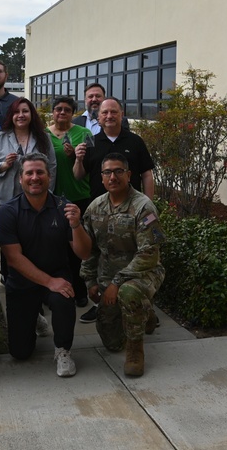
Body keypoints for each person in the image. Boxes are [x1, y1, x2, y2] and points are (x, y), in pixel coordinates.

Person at [0, 153, 92, 377]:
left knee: (64, 295)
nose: (35, 177)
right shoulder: (8, 212)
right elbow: (14, 259)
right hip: (22, 282)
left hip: (57, 275)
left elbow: (84, 252)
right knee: (20, 353)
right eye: (29, 173)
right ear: (20, 179)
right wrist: (49, 282)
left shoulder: (64, 206)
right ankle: (35, 317)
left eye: (40, 172)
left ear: (49, 177)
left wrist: (77, 226)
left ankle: (63, 350)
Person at [81, 153, 165, 377]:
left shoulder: (143, 207)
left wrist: (117, 283)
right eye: (107, 172)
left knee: (129, 293)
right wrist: (90, 281)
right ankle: (144, 313)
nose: (113, 176)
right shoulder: (95, 208)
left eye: (119, 171)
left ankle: (135, 350)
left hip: (143, 272)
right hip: (108, 277)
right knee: (111, 342)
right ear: (101, 178)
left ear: (129, 175)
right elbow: (90, 251)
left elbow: (149, 253)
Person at [73, 97, 154, 323]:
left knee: (136, 255)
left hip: (131, 212)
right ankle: (99, 303)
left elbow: (147, 174)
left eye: (113, 112)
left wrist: (149, 204)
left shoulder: (135, 141)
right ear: (98, 117)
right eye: (104, 113)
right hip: (100, 212)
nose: (109, 116)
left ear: (121, 114)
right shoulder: (90, 141)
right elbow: (79, 175)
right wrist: (78, 159)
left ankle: (143, 304)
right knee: (100, 255)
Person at [0, 97, 56, 293]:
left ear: (31, 114)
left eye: (25, 111)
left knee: (33, 241)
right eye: (16, 112)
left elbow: (52, 167)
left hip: (36, 200)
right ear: (11, 116)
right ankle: (9, 278)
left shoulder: (43, 137)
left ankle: (35, 281)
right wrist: (4, 165)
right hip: (5, 200)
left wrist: (47, 194)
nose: (21, 115)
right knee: (9, 243)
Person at [46, 96, 93, 307]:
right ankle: (57, 290)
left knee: (78, 248)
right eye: (58, 109)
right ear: (52, 112)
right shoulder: (44, 134)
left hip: (79, 196)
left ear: (73, 112)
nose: (62, 113)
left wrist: (76, 157)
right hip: (52, 198)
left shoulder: (84, 133)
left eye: (67, 109)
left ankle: (79, 290)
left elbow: (92, 163)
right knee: (55, 247)